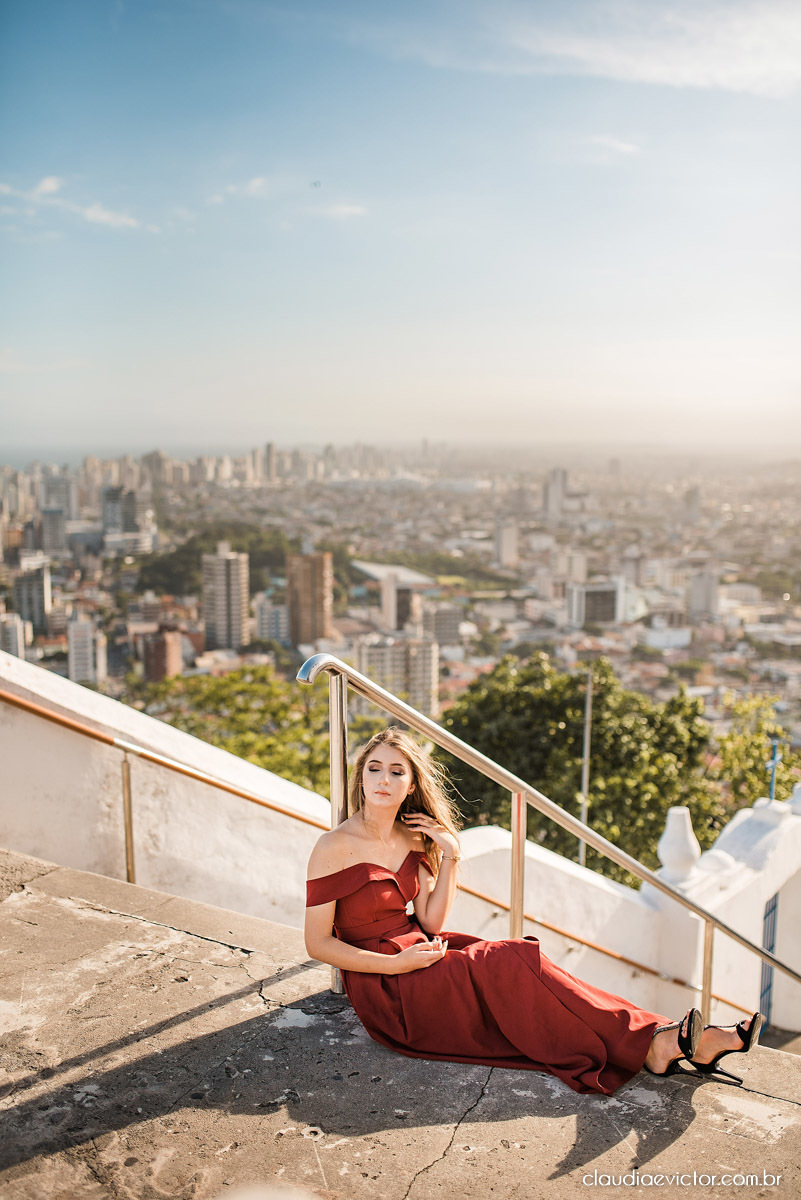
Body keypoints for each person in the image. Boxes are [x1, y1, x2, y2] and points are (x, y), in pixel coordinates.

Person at [305, 728, 762, 1096]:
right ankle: (659, 1042)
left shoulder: (412, 835)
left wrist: (451, 854)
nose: (383, 780)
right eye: (374, 768)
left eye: (396, 771)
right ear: (360, 776)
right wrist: (396, 965)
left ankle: (665, 1037)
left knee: (527, 964)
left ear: (411, 784)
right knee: (510, 961)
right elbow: (317, 943)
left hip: (423, 951)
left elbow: (431, 922)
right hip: (387, 985)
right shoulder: (334, 846)